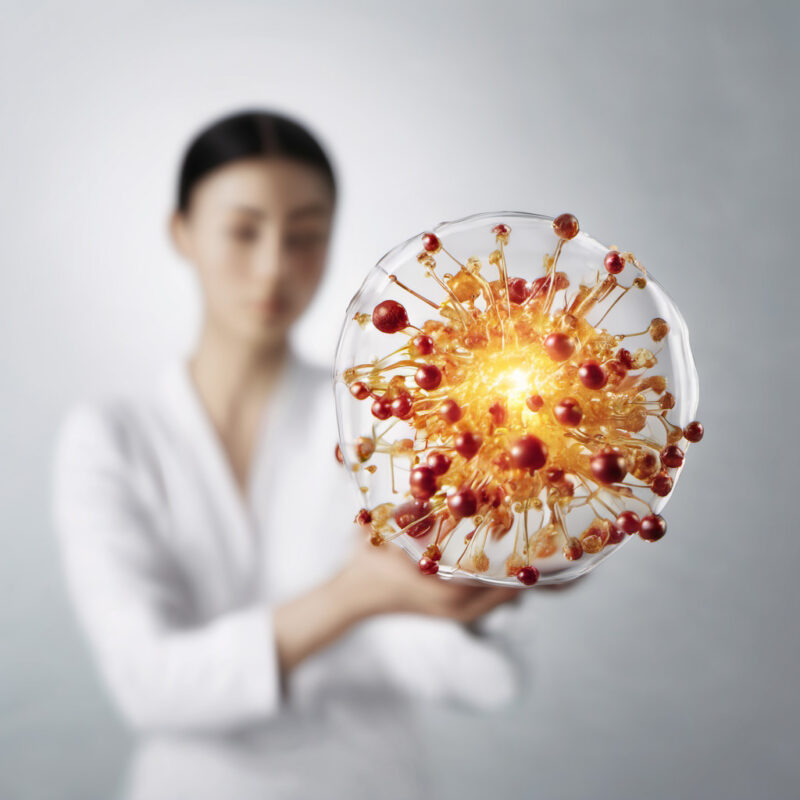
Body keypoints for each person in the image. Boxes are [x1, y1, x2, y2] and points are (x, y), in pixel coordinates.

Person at [51, 109, 538, 799]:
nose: (275, 265)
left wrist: (487, 585)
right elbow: (149, 685)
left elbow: (446, 665)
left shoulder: (388, 419)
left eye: (306, 235)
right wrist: (355, 596)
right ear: (181, 232)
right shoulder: (112, 435)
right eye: (243, 231)